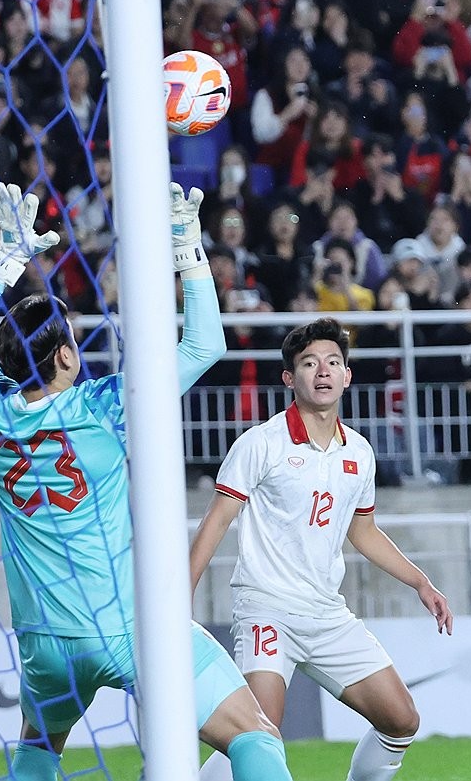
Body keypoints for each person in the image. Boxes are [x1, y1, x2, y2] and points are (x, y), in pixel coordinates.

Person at [0, 183, 291, 780]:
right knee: (254, 735)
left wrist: (8, 259)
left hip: (45, 640)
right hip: (128, 628)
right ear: (64, 359)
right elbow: (205, 344)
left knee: (38, 750)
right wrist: (187, 250)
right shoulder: (105, 406)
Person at [190, 317, 453, 781]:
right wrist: (178, 597)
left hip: (327, 613)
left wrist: (420, 581)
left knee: (402, 720)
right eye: (310, 363)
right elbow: (217, 521)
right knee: (257, 734)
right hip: (266, 608)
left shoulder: (360, 452)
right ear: (290, 378)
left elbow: (364, 531)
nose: (323, 371)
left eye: (333, 361)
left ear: (347, 375)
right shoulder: (260, 444)